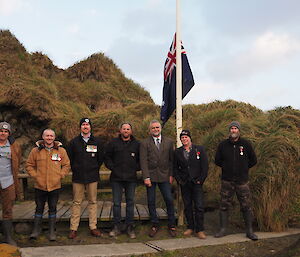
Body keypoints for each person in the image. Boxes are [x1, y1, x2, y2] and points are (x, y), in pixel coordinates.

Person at [214, 121, 258, 240]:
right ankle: (223, 230)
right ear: (230, 130)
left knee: (246, 206)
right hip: (227, 181)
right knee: (224, 205)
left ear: (239, 130)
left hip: (242, 181)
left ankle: (249, 231)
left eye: (235, 128)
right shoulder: (223, 145)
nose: (233, 130)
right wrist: (227, 167)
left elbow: (253, 160)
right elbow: (217, 160)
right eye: (232, 128)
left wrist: (243, 168)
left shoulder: (246, 144)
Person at [26, 129, 70, 241]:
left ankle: (51, 232)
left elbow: (66, 165)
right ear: (43, 137)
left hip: (55, 185)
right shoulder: (35, 151)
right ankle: (36, 231)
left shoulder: (61, 151)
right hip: (39, 185)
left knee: (53, 208)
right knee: (39, 208)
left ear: (54, 137)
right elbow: (29, 165)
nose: (49, 138)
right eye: (47, 136)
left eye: (51, 136)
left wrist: (61, 175)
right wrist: (35, 176)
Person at [68, 118, 104, 239]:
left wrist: (93, 168)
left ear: (90, 127)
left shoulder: (97, 142)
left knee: (93, 202)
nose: (85, 126)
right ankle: (73, 228)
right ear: (80, 127)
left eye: (87, 125)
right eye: (83, 124)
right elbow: (70, 159)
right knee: (76, 202)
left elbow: (100, 159)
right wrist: (77, 169)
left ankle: (93, 227)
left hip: (92, 177)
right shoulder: (73, 142)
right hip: (78, 177)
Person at [140, 120, 176, 237]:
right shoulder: (144, 143)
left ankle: (171, 225)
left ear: (160, 128)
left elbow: (172, 160)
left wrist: (171, 175)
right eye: (153, 128)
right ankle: (154, 224)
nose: (155, 129)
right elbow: (143, 161)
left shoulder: (169, 142)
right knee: (151, 201)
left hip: (165, 175)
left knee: (169, 200)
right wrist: (146, 177)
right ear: (150, 130)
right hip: (150, 176)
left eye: (157, 127)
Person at [104, 122, 140, 239]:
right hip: (116, 178)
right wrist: (113, 167)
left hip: (131, 179)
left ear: (131, 131)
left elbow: (142, 159)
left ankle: (130, 227)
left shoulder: (137, 144)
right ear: (120, 130)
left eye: (128, 129)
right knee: (116, 204)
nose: (126, 131)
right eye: (124, 129)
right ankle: (116, 227)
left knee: (130, 203)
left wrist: (135, 168)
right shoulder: (113, 143)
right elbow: (107, 157)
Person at [173, 130, 208, 239]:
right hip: (185, 183)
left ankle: (200, 229)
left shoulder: (199, 149)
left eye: (186, 137)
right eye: (182, 138)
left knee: (199, 206)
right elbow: (174, 169)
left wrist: (200, 180)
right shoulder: (177, 152)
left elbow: (205, 167)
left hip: (197, 183)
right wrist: (180, 181)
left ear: (190, 138)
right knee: (187, 206)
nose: (184, 139)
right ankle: (190, 227)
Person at [0, 122, 21, 246]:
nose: (3, 133)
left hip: (8, 181)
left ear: (9, 133)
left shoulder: (14, 146)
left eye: (6, 131)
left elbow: (18, 160)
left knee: (7, 209)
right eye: (1, 131)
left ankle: (8, 237)